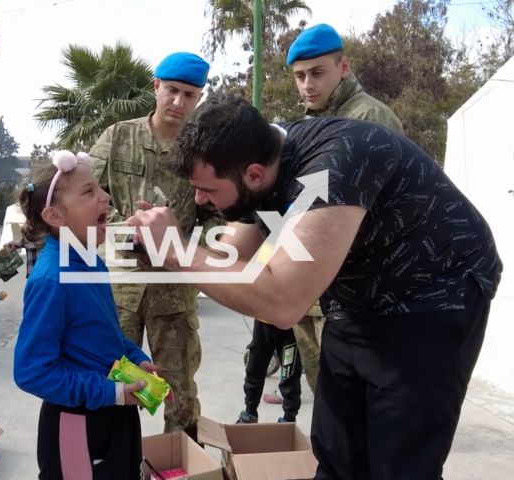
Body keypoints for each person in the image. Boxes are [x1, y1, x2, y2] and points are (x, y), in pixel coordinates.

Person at [126, 93, 503, 479]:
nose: (198, 198)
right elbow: (231, 261)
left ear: (253, 174)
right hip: (356, 301)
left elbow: (282, 303)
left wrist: (176, 250)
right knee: (337, 453)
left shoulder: (333, 165)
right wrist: (154, 247)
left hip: (432, 294)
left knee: (400, 462)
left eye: (208, 189)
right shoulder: (262, 164)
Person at [89, 51, 225, 443]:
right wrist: (123, 229)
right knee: (118, 387)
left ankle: (180, 463)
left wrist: (186, 245)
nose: (179, 102)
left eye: (189, 94)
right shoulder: (118, 137)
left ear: (199, 98)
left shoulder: (204, 152)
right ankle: (118, 462)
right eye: (172, 90)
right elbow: (90, 199)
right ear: (156, 87)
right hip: (121, 293)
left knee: (179, 391)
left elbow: (216, 216)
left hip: (174, 293)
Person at [266, 22, 406, 400]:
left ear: (343, 67)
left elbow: (383, 212)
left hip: (361, 290)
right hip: (315, 289)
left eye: (317, 73)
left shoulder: (370, 119)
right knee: (327, 396)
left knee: (359, 401)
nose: (307, 85)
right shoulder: (308, 127)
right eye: (299, 76)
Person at [12, 151, 158, 480]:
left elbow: (105, 333)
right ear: (55, 215)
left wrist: (135, 357)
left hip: (115, 413)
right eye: (89, 191)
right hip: (78, 424)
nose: (105, 196)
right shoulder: (52, 280)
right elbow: (32, 372)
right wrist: (109, 392)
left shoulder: (92, 263)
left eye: (100, 188)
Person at [238, 317, 303, 424]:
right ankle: (250, 412)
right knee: (255, 367)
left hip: (288, 322)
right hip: (263, 319)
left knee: (290, 372)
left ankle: (289, 418)